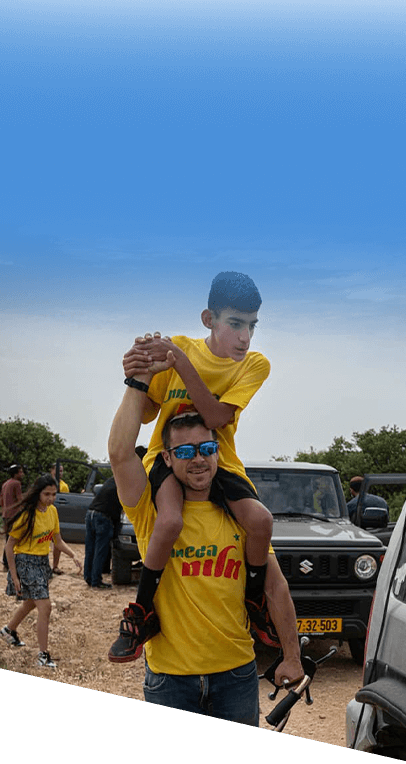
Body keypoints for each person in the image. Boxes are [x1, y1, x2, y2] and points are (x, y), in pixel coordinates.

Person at [107, 368, 304, 723]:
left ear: (217, 453)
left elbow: (275, 587)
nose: (198, 459)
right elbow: (120, 454)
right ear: (166, 458)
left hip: (236, 676)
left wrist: (292, 657)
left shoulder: (240, 515)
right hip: (170, 679)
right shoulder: (149, 509)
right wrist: (138, 381)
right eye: (185, 451)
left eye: (207, 449)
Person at [108, 271, 275, 663]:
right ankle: (141, 612)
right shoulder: (180, 348)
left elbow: (216, 417)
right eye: (235, 323)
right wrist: (137, 368)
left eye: (252, 325)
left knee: (261, 521)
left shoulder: (253, 365)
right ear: (208, 319)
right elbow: (147, 411)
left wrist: (178, 362)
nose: (245, 336)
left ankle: (254, 601)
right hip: (170, 459)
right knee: (169, 522)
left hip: (219, 459)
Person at [0, 473, 82, 668]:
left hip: (42, 563)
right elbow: (9, 546)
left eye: (54, 494)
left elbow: (57, 541)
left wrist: (73, 555)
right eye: (47, 494)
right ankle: (43, 656)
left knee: (31, 602)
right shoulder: (27, 515)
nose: (51, 498)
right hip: (26, 562)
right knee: (45, 606)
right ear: (37, 493)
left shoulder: (52, 511)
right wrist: (14, 576)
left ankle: (8, 631)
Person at [0, 464, 24, 568]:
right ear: (15, 474)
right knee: (16, 539)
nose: (22, 474)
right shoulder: (16, 483)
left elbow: (1, 501)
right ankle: (13, 563)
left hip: (5, 515)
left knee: (8, 539)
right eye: (20, 472)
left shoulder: (5, 484)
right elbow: (20, 500)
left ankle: (6, 562)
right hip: (14, 515)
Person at [48, 463, 69, 574]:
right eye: (58, 470)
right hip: (44, 514)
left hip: (56, 515)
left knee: (57, 541)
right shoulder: (45, 483)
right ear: (52, 470)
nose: (60, 473)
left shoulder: (64, 486)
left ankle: (55, 566)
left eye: (61, 471)